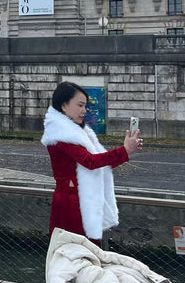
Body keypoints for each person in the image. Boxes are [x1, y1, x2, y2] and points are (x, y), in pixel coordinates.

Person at [41, 81, 141, 245]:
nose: (84, 111)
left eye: (85, 106)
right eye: (80, 105)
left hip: (76, 199)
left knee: (77, 254)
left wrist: (126, 151)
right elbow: (90, 161)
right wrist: (124, 151)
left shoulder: (74, 133)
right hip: (72, 203)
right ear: (64, 106)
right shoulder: (62, 134)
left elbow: (97, 161)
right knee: (77, 254)